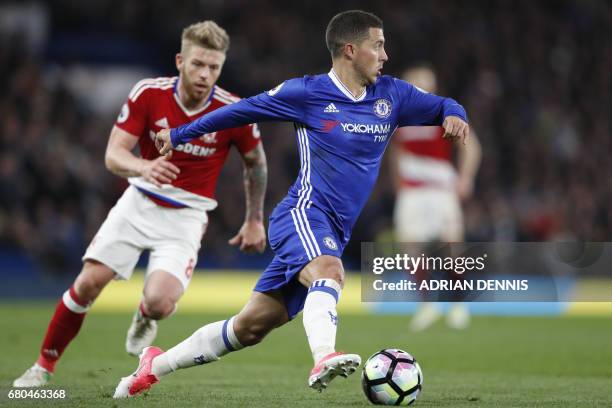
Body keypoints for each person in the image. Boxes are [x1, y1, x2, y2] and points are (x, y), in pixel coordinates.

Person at [114, 10, 469, 398]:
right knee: (330, 271)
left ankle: (152, 366)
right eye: (378, 45)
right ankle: (323, 356)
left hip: (334, 228)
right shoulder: (307, 93)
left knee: (249, 327)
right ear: (350, 50)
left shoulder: (393, 96)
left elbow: (445, 104)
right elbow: (239, 111)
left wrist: (455, 116)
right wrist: (180, 133)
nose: (385, 55)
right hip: (302, 214)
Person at [13, 20, 267, 388]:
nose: (205, 74)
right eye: (198, 64)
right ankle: (42, 368)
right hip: (140, 202)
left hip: (187, 217)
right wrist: (144, 166)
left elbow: (256, 162)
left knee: (161, 302)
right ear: (180, 60)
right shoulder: (149, 93)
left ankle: (147, 314)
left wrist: (255, 218)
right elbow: (114, 155)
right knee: (87, 284)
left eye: (214, 67)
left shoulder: (232, 110)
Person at [390, 65, 481, 331]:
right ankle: (426, 306)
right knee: (411, 249)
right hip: (412, 192)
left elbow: (472, 147)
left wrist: (466, 178)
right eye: (415, 82)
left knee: (452, 249)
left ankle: (457, 305)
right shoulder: (398, 118)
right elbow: (395, 153)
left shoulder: (443, 112)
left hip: (441, 191)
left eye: (425, 83)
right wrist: (397, 182)